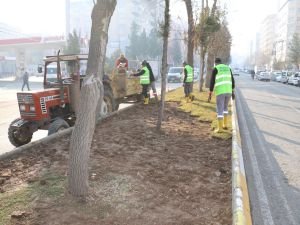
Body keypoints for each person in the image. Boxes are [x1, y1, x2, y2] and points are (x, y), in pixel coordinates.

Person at [208, 58, 235, 133]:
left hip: (220, 91)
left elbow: (212, 81)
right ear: (221, 62)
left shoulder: (216, 69)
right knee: (225, 107)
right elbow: (232, 80)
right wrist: (232, 91)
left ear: (215, 63)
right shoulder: (228, 68)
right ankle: (225, 124)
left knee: (220, 108)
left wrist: (210, 91)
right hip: (228, 91)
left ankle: (220, 129)